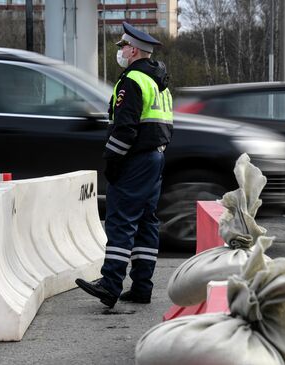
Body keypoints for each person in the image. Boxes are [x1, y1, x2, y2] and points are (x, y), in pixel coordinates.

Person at [75, 22, 173, 308]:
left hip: (135, 159)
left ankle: (110, 284)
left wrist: (113, 160)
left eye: (122, 47)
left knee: (120, 221)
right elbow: (165, 126)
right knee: (145, 222)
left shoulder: (131, 81)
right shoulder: (160, 81)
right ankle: (142, 287)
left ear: (133, 50)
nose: (119, 51)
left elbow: (125, 128)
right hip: (155, 157)